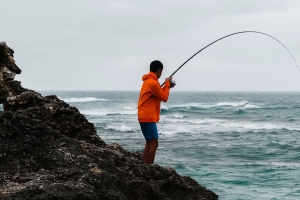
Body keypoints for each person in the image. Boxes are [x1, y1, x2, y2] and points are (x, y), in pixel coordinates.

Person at [138, 60, 174, 164]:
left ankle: (144, 164)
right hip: (148, 116)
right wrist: (167, 83)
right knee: (154, 143)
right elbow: (164, 98)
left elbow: (158, 93)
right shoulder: (153, 83)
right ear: (159, 70)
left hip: (143, 115)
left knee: (149, 142)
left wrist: (167, 87)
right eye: (161, 72)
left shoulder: (148, 81)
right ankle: (148, 167)